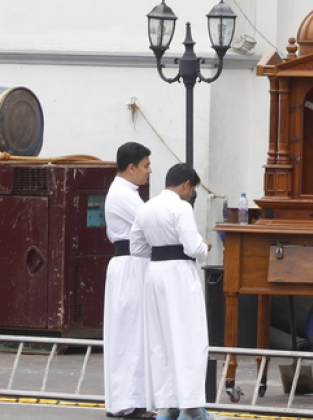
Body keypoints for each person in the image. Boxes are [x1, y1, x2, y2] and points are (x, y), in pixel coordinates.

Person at [130, 164, 210, 420]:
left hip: (155, 273)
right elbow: (192, 247)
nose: (191, 195)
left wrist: (160, 248)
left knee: (161, 340)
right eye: (192, 189)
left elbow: (137, 248)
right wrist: (204, 245)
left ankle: (166, 405)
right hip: (178, 275)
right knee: (188, 338)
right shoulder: (181, 207)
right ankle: (191, 407)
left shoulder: (146, 207)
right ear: (186, 184)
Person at [103, 142, 155, 419]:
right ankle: (128, 401)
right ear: (132, 167)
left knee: (134, 332)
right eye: (146, 166)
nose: (149, 171)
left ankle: (134, 398)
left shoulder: (128, 192)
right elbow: (150, 223)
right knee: (130, 333)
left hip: (135, 264)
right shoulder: (123, 195)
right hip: (130, 265)